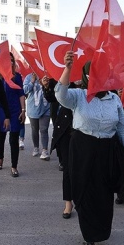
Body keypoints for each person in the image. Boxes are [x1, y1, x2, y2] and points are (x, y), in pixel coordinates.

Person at [55, 51, 124, 245]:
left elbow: (122, 128)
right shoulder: (79, 96)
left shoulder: (115, 99)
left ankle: (99, 231)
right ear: (86, 76)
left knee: (103, 194)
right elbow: (60, 94)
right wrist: (67, 68)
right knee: (83, 192)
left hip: (106, 151)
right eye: (93, 74)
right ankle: (88, 238)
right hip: (83, 149)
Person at [47, 78, 75, 218]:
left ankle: (86, 200)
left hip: (86, 130)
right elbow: (52, 96)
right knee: (67, 168)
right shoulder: (58, 75)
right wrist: (46, 87)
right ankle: (68, 203)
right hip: (64, 130)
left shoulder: (86, 78)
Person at [0, 53, 26, 177]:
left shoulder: (17, 77)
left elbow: (21, 94)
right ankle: (0, 159)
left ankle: (14, 166)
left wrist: (23, 110)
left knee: (14, 140)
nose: (11, 63)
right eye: (8, 61)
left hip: (14, 112)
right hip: (1, 112)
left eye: (12, 61)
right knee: (0, 138)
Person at [23, 73, 51, 160]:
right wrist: (32, 81)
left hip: (46, 107)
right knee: (35, 129)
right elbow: (24, 90)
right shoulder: (29, 77)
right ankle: (36, 147)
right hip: (33, 108)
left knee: (44, 129)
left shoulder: (48, 75)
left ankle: (45, 150)